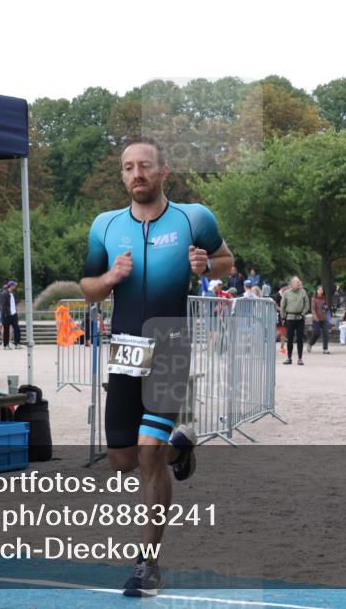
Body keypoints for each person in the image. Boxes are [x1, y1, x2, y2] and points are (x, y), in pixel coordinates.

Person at [80, 136, 234, 597]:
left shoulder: (193, 218)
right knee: (123, 461)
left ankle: (148, 565)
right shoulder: (105, 226)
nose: (136, 175)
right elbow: (88, 286)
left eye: (144, 166)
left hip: (170, 340)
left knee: (147, 453)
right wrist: (109, 278)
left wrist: (206, 267)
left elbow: (228, 262)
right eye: (128, 168)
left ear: (163, 171)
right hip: (125, 346)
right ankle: (178, 450)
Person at [280, 277, 310, 365]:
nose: (299, 284)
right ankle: (289, 358)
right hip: (290, 317)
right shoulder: (287, 293)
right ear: (292, 284)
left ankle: (300, 358)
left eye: (299, 282)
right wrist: (283, 317)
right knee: (290, 338)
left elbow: (307, 304)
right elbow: (282, 305)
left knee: (300, 338)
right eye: (297, 282)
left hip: (300, 318)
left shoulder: (303, 292)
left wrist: (303, 313)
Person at [307, 285, 330, 355]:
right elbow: (313, 309)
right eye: (319, 290)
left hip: (324, 319)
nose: (320, 291)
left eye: (322, 290)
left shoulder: (324, 298)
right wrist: (315, 317)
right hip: (316, 319)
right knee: (316, 333)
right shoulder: (314, 298)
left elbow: (327, 308)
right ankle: (310, 343)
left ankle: (325, 349)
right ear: (317, 291)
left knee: (326, 333)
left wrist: (326, 307)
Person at [1, 281, 22, 349]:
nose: (15, 286)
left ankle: (17, 344)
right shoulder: (5, 293)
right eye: (14, 285)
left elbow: (14, 303)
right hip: (7, 314)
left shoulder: (13, 293)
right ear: (11, 286)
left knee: (17, 329)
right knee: (6, 330)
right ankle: (5, 345)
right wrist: (5, 314)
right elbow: (3, 305)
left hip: (14, 314)